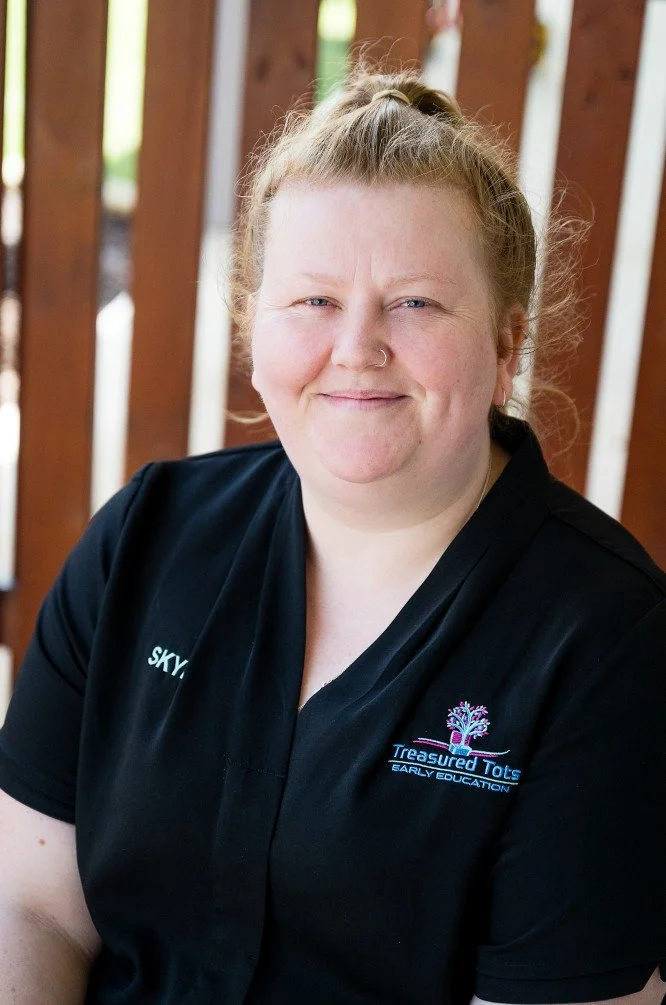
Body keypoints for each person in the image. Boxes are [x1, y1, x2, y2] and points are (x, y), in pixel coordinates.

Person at [0, 68, 664, 1005]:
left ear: (508, 344)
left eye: (416, 303)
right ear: (255, 327)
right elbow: (32, 906)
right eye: (313, 301)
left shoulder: (603, 637)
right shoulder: (144, 541)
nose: (357, 349)